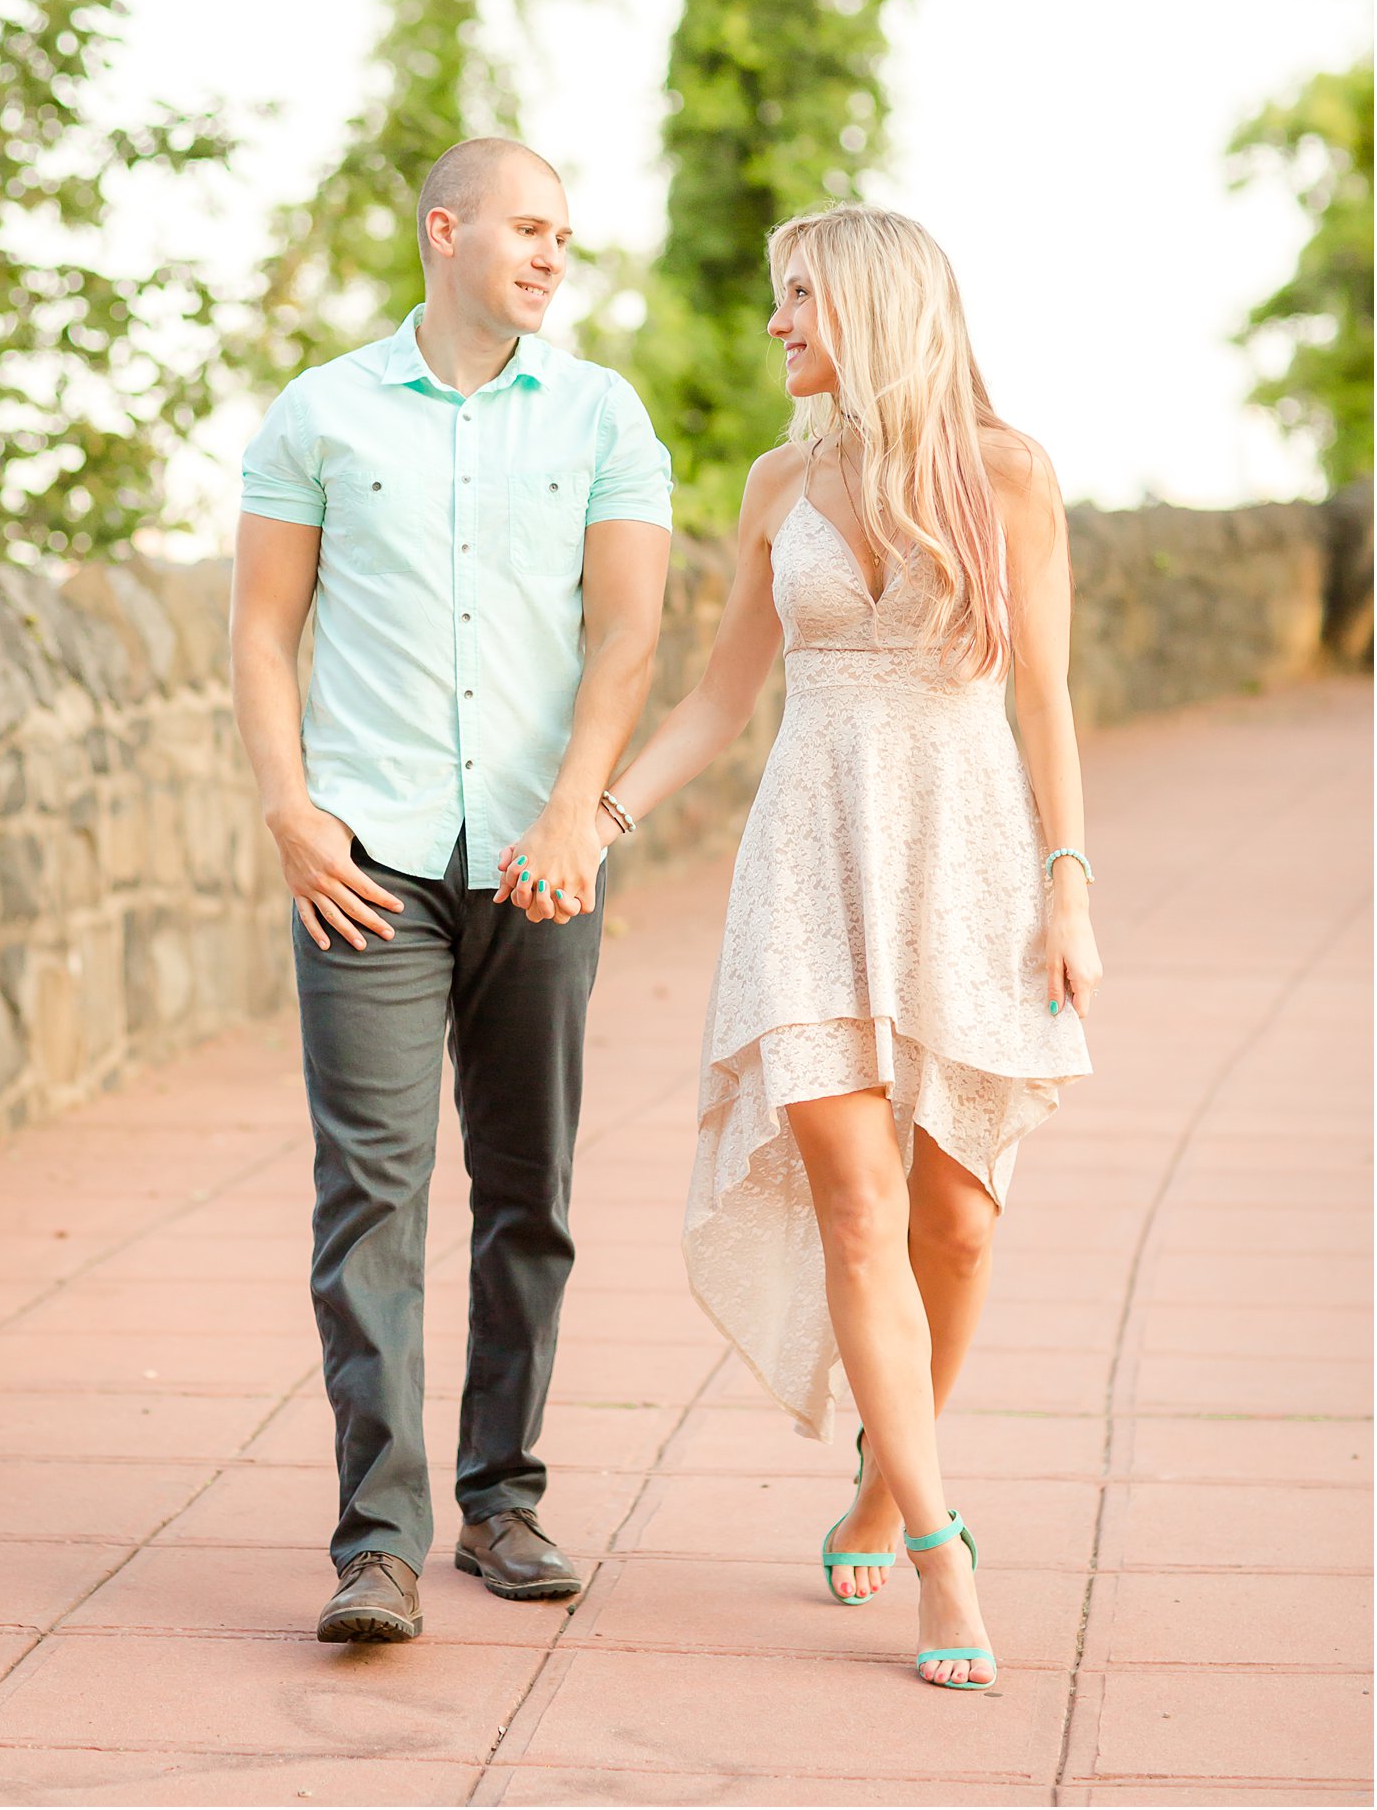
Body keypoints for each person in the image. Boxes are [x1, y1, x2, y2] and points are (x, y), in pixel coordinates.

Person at [522, 201, 1099, 1690]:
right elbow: (718, 703)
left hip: (966, 864)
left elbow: (1044, 695)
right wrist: (595, 815)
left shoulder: (1012, 475)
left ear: (876, 307)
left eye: (800, 298)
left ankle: (876, 1478)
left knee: (958, 1220)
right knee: (858, 1208)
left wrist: (1069, 881)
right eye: (778, 295)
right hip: (808, 869)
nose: (778, 322)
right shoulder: (779, 482)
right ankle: (939, 1548)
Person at [230, 137, 673, 1645]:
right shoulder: (322, 412)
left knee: (526, 1189)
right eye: (530, 228)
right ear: (446, 228)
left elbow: (628, 635)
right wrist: (290, 811)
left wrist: (573, 811)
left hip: (542, 866)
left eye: (566, 235)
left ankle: (504, 1497)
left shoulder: (605, 413)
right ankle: (378, 1537)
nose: (554, 254)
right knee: (368, 1189)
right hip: (367, 863)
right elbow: (260, 632)